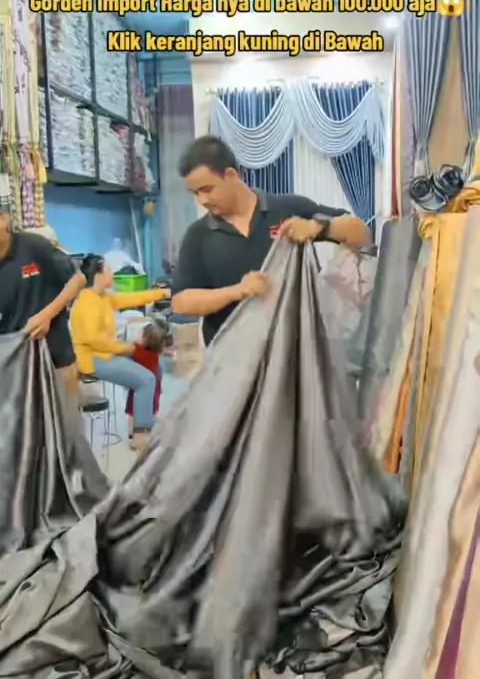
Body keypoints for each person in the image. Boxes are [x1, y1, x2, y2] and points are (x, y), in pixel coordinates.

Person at [171, 136, 370, 346]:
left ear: (231, 175)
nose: (202, 200)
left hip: (295, 351)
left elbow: (360, 231)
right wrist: (238, 291)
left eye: (207, 189)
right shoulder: (199, 236)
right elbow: (181, 302)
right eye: (195, 193)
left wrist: (317, 228)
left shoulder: (288, 209)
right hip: (231, 358)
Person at [70, 254, 170, 450]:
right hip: (92, 358)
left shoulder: (104, 297)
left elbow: (131, 298)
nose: (112, 273)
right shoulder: (86, 301)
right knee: (146, 379)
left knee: (154, 364)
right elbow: (94, 339)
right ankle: (140, 434)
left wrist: (161, 293)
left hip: (108, 351)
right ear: (98, 275)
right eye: (108, 270)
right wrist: (125, 347)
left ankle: (142, 417)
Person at [0, 209, 86, 399]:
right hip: (13, 367)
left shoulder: (33, 246)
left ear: (3, 219)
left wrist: (47, 315)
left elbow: (78, 280)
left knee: (65, 414)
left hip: (55, 357)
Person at [125, 322, 166, 439]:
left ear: (146, 339)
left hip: (137, 386)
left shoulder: (137, 350)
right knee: (152, 409)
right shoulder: (157, 354)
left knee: (132, 411)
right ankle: (153, 430)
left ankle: (132, 433)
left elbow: (126, 353)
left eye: (140, 334)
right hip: (155, 386)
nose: (137, 335)